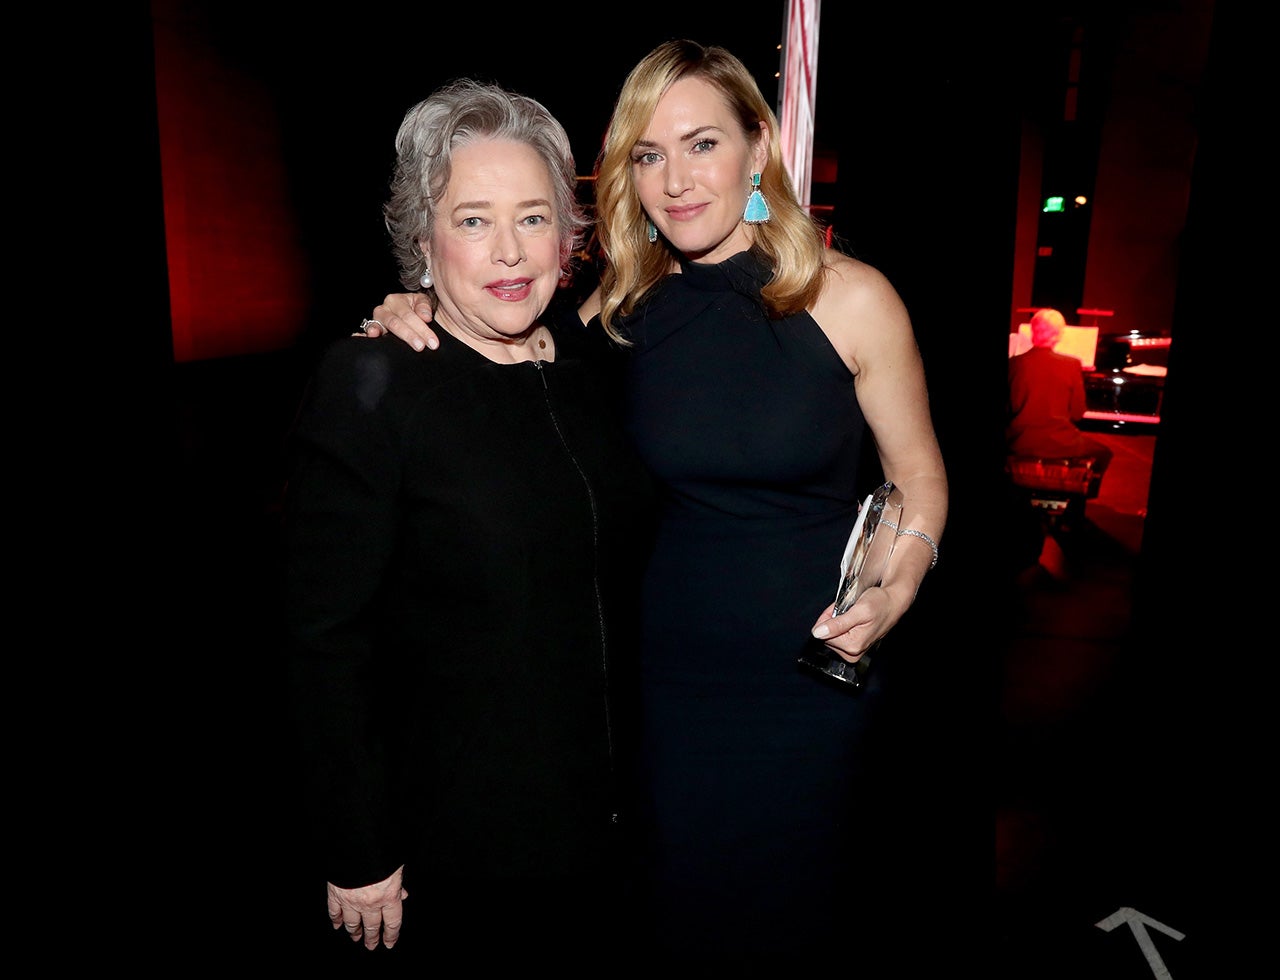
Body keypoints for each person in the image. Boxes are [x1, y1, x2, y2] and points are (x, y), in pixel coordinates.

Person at [364, 40, 949, 962]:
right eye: (647, 154)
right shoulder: (618, 314)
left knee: (799, 922)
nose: (675, 180)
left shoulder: (852, 300)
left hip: (811, 686)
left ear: (758, 147)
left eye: (702, 143)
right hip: (663, 695)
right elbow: (500, 352)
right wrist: (413, 308)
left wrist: (897, 586)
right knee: (679, 925)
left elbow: (918, 477)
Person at [282, 78, 655, 966]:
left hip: (616, 836)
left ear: (566, 235)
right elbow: (322, 640)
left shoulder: (597, 369)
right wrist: (358, 847)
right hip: (461, 856)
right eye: (474, 220)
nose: (510, 250)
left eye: (533, 217)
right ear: (424, 239)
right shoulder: (374, 385)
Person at [1006, 307, 1114, 477]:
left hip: (1018, 442)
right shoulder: (1072, 365)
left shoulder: (1013, 364)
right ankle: (1075, 491)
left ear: (1032, 332)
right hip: (1061, 443)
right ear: (1059, 335)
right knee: (1104, 453)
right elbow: (1077, 414)